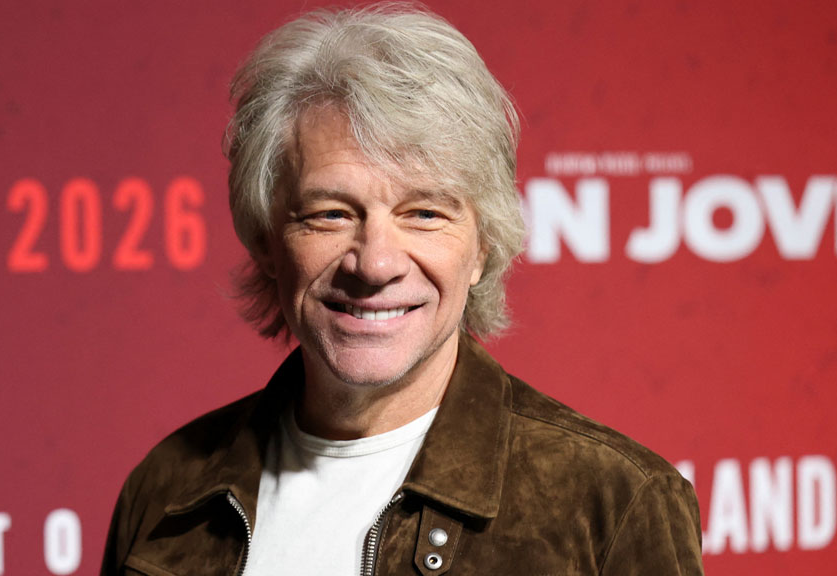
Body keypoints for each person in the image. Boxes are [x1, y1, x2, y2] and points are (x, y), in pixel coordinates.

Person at [102, 4, 704, 575]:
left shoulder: (614, 503)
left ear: (483, 248)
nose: (376, 263)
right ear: (266, 239)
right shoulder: (167, 490)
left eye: (424, 214)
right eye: (331, 213)